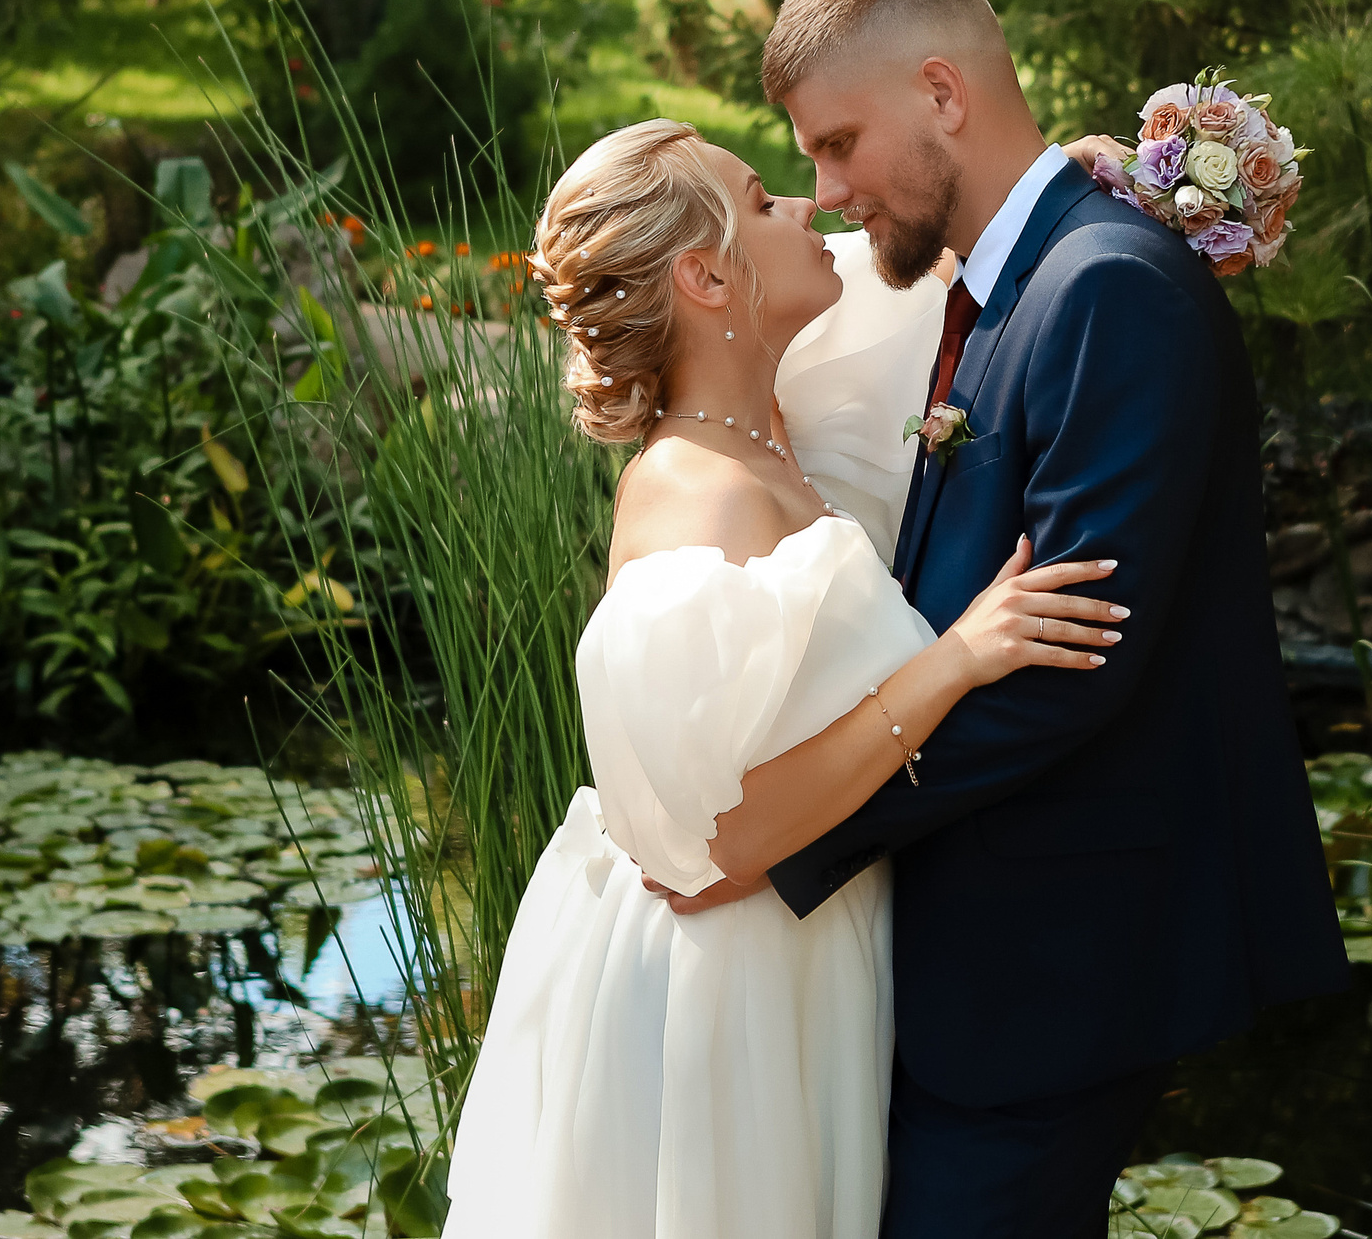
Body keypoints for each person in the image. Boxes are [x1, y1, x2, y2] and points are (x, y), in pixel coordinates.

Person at [652, 0, 1348, 1237]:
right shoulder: (1013, 278)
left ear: (943, 94)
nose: (831, 188)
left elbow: (1069, 662)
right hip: (988, 955)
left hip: (1058, 957)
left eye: (841, 142)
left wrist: (797, 831)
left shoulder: (1110, 290)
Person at [441, 115, 1126, 1239]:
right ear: (707, 276)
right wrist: (958, 660)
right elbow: (717, 848)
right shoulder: (693, 498)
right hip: (727, 998)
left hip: (812, 958)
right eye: (764, 201)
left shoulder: (778, 402)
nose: (809, 209)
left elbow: (918, 256)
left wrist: (1064, 177)